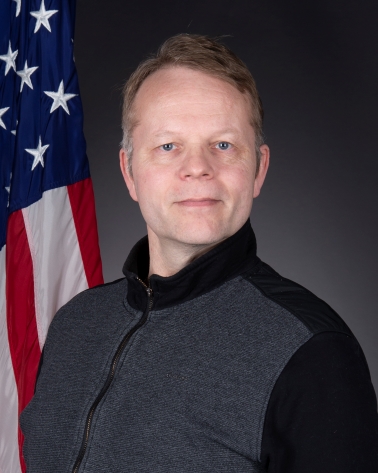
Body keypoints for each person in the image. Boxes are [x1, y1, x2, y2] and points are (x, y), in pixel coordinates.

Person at [20, 34, 378, 472]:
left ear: (258, 169)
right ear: (129, 172)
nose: (198, 167)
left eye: (223, 145)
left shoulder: (313, 351)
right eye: (168, 146)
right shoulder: (75, 325)